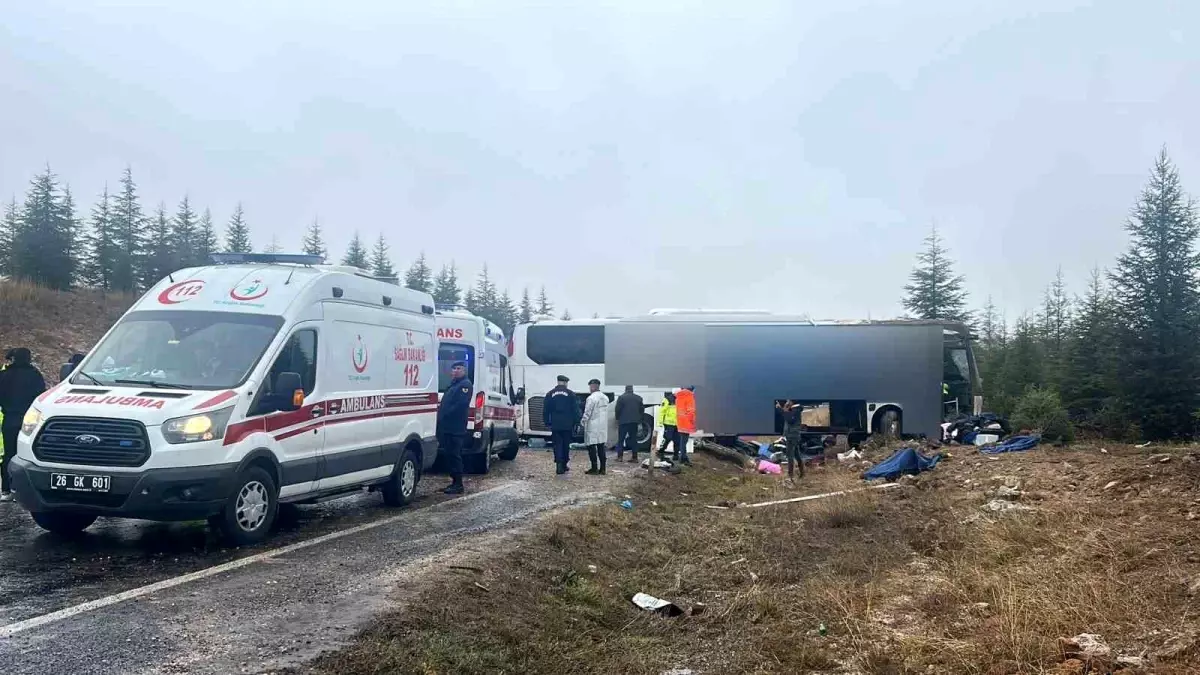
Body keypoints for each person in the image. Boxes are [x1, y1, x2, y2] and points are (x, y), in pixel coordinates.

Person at [0, 348, 46, 501]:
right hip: (30, 421)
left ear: (13, 359)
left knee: (8, 454)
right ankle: (26, 490)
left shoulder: (4, 375)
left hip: (10, 419)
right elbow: (41, 398)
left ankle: (6, 490)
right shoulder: (35, 375)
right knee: (28, 456)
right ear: (28, 358)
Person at [436, 361, 472, 495]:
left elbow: (460, 405)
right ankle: (453, 482)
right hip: (447, 426)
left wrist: (445, 414)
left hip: (455, 427)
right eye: (454, 368)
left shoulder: (465, 385)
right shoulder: (453, 384)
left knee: (454, 455)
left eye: (459, 368)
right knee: (449, 454)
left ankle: (458, 484)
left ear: (464, 371)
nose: (456, 371)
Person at [543, 375, 580, 475]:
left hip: (555, 424)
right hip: (567, 424)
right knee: (565, 444)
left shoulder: (550, 394)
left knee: (557, 444)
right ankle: (564, 464)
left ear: (558, 382)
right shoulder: (571, 394)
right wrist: (577, 422)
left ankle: (559, 465)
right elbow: (575, 409)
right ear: (565, 383)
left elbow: (546, 410)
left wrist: (546, 422)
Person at [580, 378, 609, 475]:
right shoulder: (605, 398)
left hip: (592, 426)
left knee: (591, 448)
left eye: (590, 386)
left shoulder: (591, 398)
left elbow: (587, 412)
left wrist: (583, 422)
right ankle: (603, 469)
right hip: (602, 427)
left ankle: (594, 468)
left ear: (592, 386)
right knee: (601, 447)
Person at [614, 385, 644, 462]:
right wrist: (639, 420)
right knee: (634, 439)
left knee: (621, 439)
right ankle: (635, 457)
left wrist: (617, 418)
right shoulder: (639, 398)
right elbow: (642, 411)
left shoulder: (621, 398)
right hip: (634, 422)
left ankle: (620, 457)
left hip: (623, 421)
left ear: (625, 389)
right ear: (632, 389)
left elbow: (617, 409)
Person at [777, 400, 805, 479]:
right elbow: (788, 416)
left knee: (790, 455)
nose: (787, 402)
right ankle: (802, 473)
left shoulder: (795, 410)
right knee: (797, 455)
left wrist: (782, 410)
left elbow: (790, 420)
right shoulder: (794, 410)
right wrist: (783, 410)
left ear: (792, 402)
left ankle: (790, 475)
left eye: (789, 400)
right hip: (793, 435)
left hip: (792, 436)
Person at [674, 385, 696, 466]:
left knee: (682, 440)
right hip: (687, 422)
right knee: (684, 441)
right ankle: (683, 458)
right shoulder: (690, 397)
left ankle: (682, 457)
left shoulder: (679, 397)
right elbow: (691, 412)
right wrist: (693, 422)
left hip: (680, 421)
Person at [656, 391, 678, 460]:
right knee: (667, 438)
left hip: (678, 423)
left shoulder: (680, 399)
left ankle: (676, 455)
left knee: (677, 440)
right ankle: (661, 451)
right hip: (668, 423)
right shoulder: (667, 399)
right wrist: (660, 422)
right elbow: (662, 411)